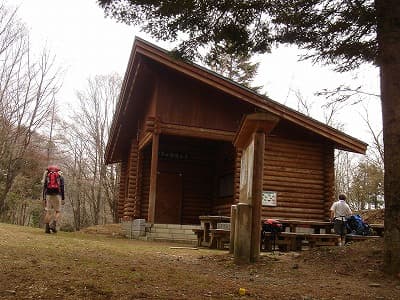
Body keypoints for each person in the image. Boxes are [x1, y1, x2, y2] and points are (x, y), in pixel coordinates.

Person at [42, 165, 65, 234]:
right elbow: (62, 187)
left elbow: (44, 188)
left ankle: (47, 228)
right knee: (58, 211)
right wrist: (63, 198)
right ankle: (53, 225)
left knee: (48, 212)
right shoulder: (60, 176)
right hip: (57, 195)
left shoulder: (47, 176)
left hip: (48, 195)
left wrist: (44, 198)